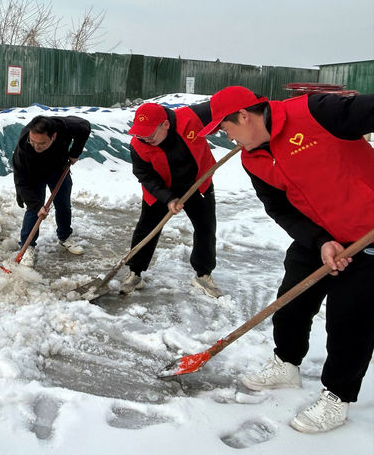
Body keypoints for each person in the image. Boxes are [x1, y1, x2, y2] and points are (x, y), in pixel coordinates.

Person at [199, 85, 374, 433]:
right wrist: (320, 241)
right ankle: (286, 363)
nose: (227, 137)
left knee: (350, 320)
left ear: (244, 116)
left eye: (225, 128)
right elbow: (280, 208)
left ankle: (337, 397)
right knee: (291, 304)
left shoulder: (316, 113)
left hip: (366, 234)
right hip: (318, 236)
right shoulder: (252, 159)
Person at [122, 102, 222, 297]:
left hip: (197, 183)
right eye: (141, 134)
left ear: (165, 125)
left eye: (150, 134)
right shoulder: (138, 145)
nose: (146, 139)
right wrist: (168, 198)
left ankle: (203, 274)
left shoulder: (191, 117)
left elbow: (225, 107)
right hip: (161, 188)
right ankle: (135, 271)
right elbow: (145, 176)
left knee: (206, 228)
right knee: (146, 228)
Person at [12, 115, 91, 266]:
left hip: (58, 169)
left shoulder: (65, 127)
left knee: (63, 204)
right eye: (33, 141)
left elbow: (84, 127)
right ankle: (27, 246)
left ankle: (65, 237)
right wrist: (36, 205)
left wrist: (75, 152)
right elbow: (22, 182)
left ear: (53, 136)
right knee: (34, 210)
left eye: (41, 143)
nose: (36, 146)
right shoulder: (24, 149)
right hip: (34, 174)